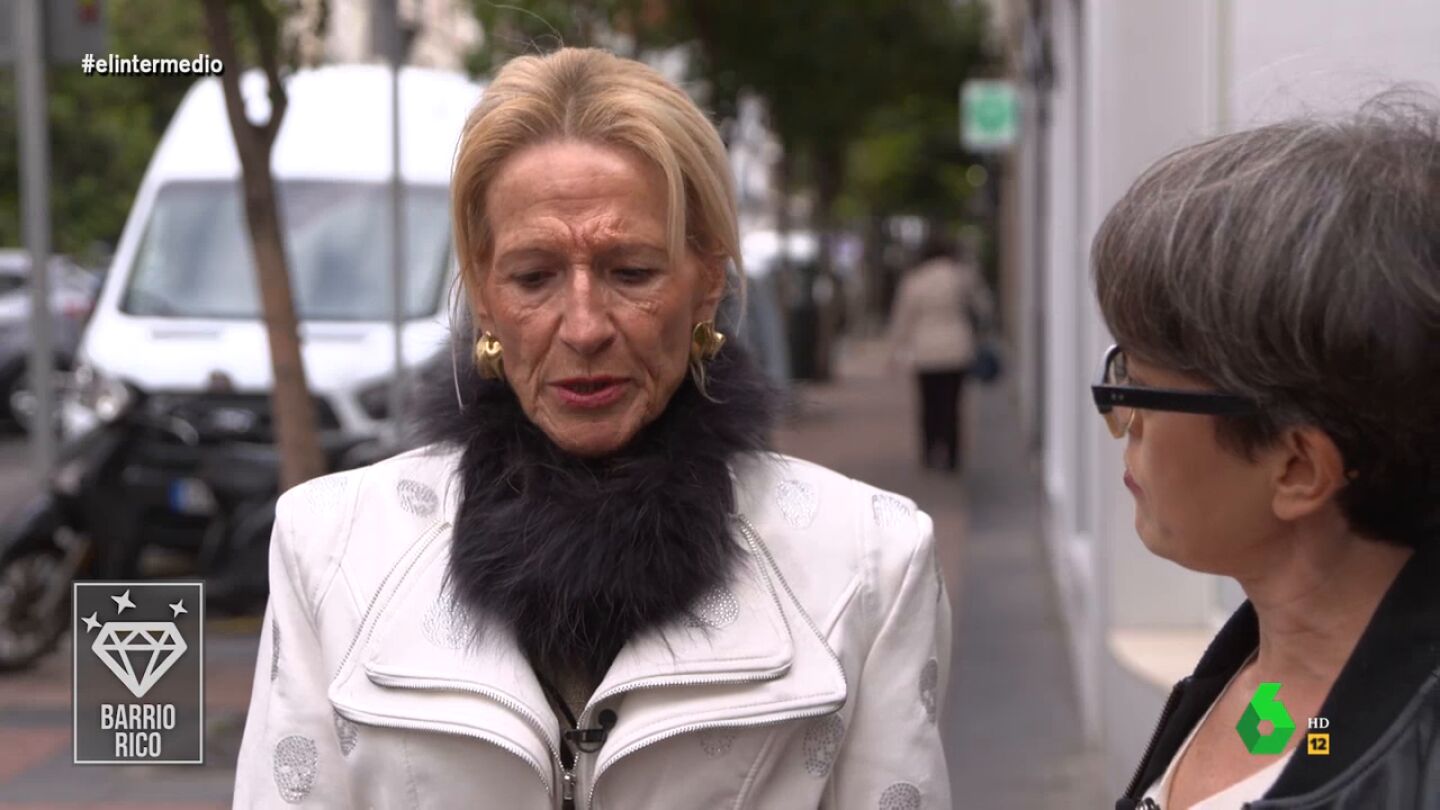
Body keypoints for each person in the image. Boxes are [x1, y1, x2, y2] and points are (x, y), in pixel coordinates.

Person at [233, 48, 951, 809]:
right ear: (483, 293)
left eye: (631, 272)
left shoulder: (870, 558)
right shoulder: (330, 547)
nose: (583, 328)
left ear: (708, 282)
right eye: (533, 276)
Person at [1093, 104, 1440, 809]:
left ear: (1298, 469)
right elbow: (1304, 748)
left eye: (1139, 387)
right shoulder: (1275, 680)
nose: (1124, 422)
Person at [888, 232, 993, 472]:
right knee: (952, 405)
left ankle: (929, 451)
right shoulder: (961, 276)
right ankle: (952, 455)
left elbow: (902, 318)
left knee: (928, 404)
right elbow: (983, 306)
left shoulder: (915, 280)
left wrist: (895, 351)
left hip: (925, 351)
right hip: (957, 348)